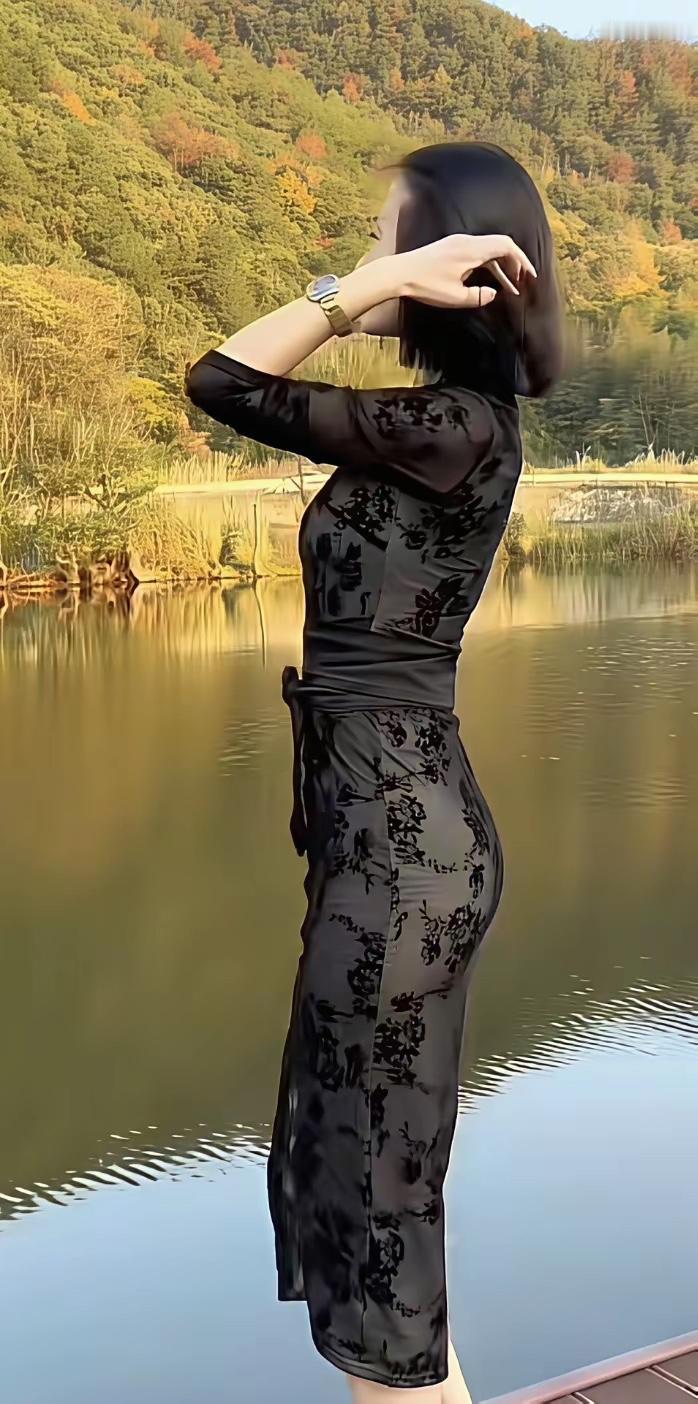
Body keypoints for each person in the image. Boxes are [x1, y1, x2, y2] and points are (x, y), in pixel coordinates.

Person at [185, 141, 565, 1402]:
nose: (372, 256)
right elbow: (232, 383)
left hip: (402, 856)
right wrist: (382, 276)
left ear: (452, 260)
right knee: (371, 1202)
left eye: (392, 234)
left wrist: (361, 287)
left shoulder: (453, 427)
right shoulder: (435, 429)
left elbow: (223, 379)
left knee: (376, 1218)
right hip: (381, 838)